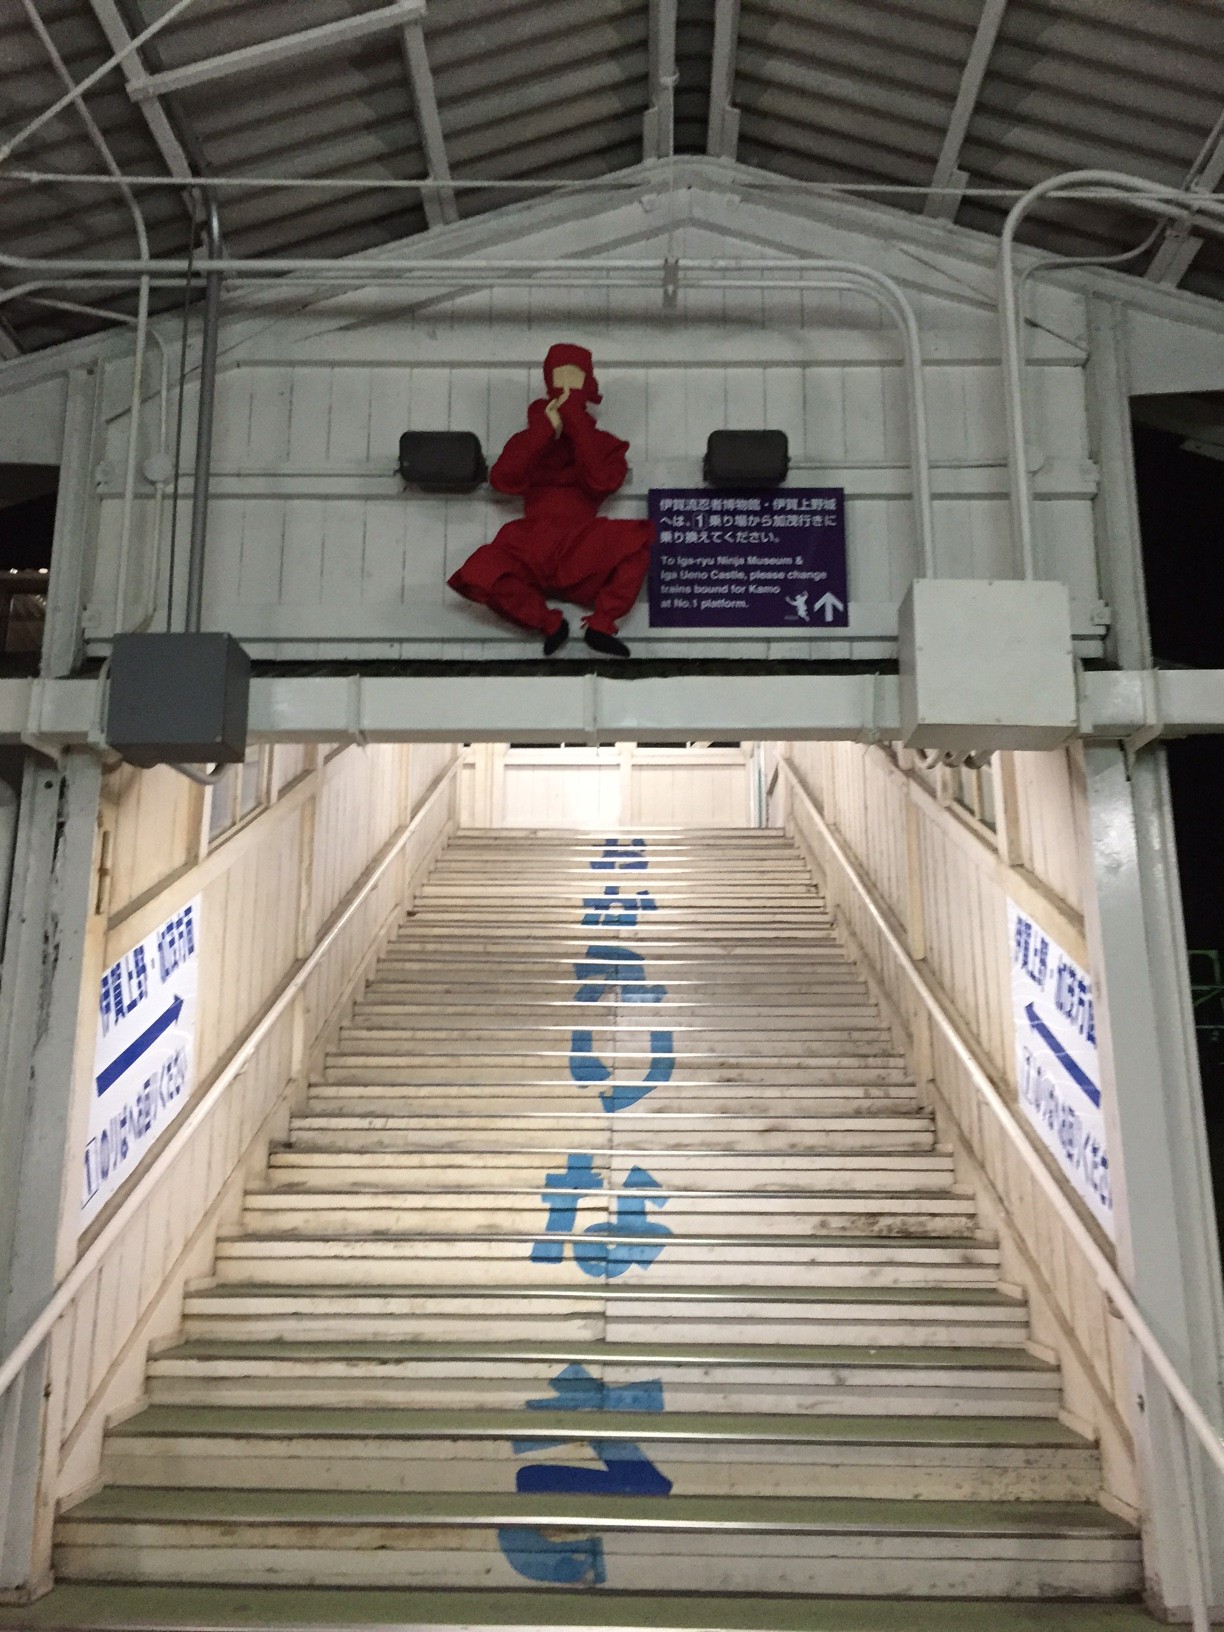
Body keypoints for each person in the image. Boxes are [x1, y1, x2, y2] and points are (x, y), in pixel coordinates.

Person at [447, 343, 654, 658]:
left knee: (636, 546)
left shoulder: (603, 444)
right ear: (548, 382)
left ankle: (601, 625)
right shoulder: (530, 439)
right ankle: (548, 623)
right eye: (560, 377)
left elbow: (603, 481)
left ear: (587, 382)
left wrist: (576, 423)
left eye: (575, 377)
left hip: (583, 544)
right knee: (480, 571)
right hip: (532, 543)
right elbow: (503, 480)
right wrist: (543, 431)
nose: (567, 385)